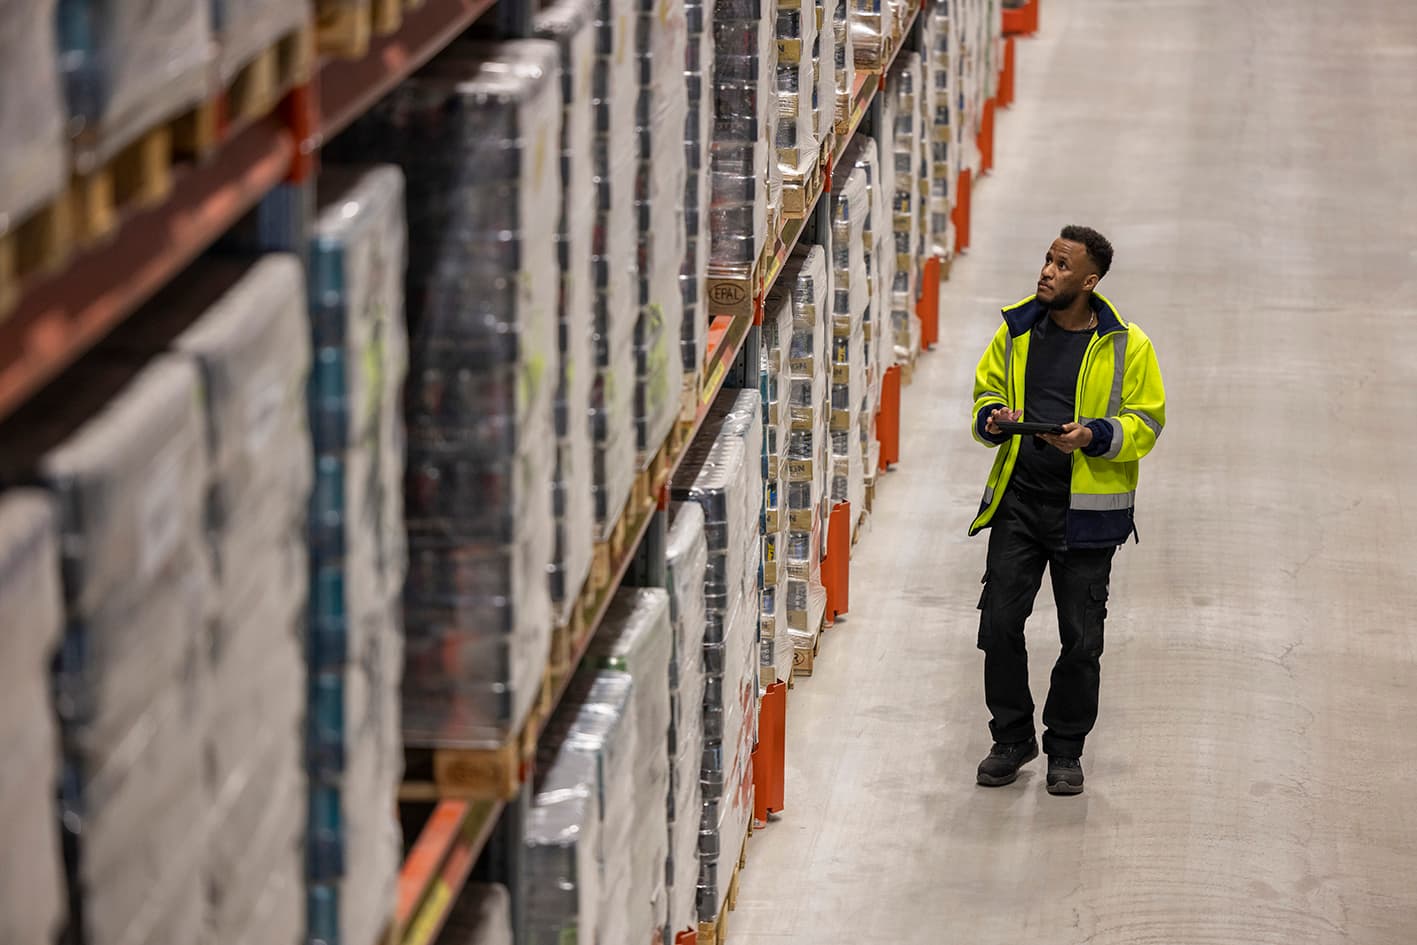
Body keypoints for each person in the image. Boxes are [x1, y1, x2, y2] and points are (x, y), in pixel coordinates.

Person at [967, 225, 1166, 795]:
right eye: (1047, 259)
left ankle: (1065, 747)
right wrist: (991, 418)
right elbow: (984, 392)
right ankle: (1011, 737)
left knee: (1081, 638)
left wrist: (1094, 435)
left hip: (1087, 515)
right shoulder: (1016, 331)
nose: (1047, 271)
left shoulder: (1129, 344)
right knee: (999, 624)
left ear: (1089, 279)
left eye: (1061, 264)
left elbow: (1147, 421)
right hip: (1020, 502)